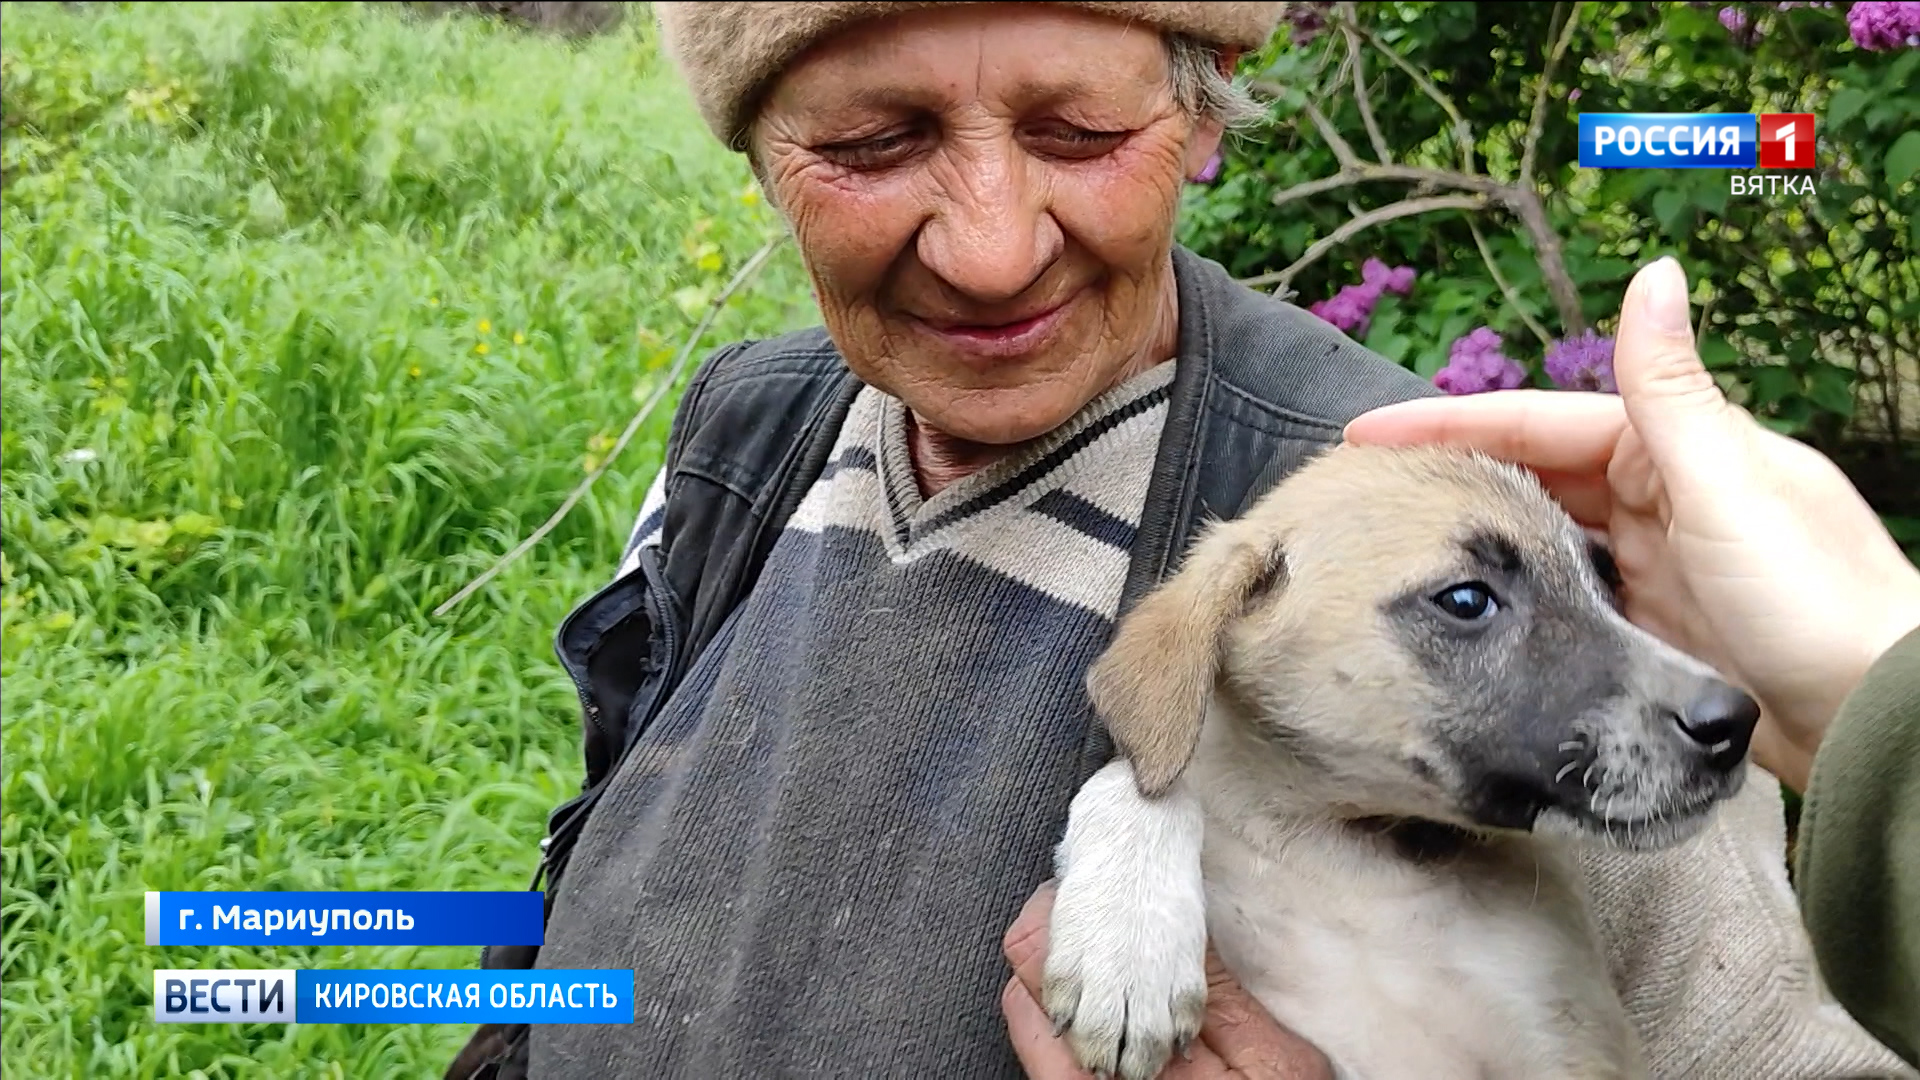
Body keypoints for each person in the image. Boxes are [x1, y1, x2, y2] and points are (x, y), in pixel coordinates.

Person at [451, 4, 1914, 1078]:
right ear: (759, 158)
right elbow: (599, 876)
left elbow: (1771, 1036)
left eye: (1080, 133)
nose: (991, 244)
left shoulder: (1401, 527)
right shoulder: (750, 432)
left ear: (1205, 118)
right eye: (869, 143)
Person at [1002, 256, 1920, 1076]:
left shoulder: (1528, 894)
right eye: (1467, 604)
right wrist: (1129, 813)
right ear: (1231, 624)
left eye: (1596, 585)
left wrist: (1862, 691)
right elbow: (1153, 749)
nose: (1703, 697)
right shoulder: (1180, 777)